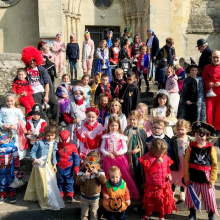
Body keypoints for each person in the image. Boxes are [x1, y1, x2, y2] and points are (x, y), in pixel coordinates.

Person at [24, 124, 65, 210]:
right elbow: (32, 152)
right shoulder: (39, 142)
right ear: (45, 134)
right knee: (42, 183)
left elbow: (53, 155)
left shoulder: (54, 143)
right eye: (48, 135)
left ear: (55, 135)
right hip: (40, 166)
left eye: (52, 135)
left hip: (49, 165)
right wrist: (34, 159)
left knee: (50, 183)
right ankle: (43, 200)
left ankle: (49, 198)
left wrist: (54, 165)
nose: (50, 137)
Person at [101, 116, 141, 200]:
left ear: (118, 126)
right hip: (109, 159)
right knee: (110, 175)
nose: (113, 127)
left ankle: (123, 192)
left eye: (115, 125)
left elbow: (125, 149)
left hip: (119, 159)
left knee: (122, 175)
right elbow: (102, 148)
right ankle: (110, 192)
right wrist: (107, 154)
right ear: (108, 126)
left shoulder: (121, 136)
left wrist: (119, 153)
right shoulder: (106, 136)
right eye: (111, 125)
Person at [184, 121, 218, 220]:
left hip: (206, 178)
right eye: (197, 134)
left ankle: (211, 214)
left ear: (207, 136)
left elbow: (215, 165)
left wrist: (212, 180)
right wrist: (186, 176)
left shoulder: (211, 148)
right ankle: (192, 214)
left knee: (209, 198)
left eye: (202, 135)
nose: (199, 137)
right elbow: (186, 162)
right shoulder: (191, 147)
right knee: (191, 197)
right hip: (193, 177)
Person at [139, 139, 177, 220]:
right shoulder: (147, 157)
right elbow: (149, 171)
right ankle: (147, 214)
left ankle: (161, 215)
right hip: (152, 184)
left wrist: (169, 174)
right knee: (150, 201)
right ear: (152, 150)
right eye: (159, 153)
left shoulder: (165, 157)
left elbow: (167, 167)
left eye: (163, 153)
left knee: (162, 201)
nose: (161, 155)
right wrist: (157, 163)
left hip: (163, 184)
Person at [21, 46, 60, 123]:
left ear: (37, 59)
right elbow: (18, 79)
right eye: (30, 60)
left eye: (34, 60)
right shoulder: (25, 70)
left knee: (56, 104)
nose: (32, 62)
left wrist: (46, 95)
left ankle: (55, 123)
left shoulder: (41, 69)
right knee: (37, 108)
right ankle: (43, 124)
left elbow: (47, 83)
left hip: (44, 91)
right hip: (34, 93)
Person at [76, 151, 107, 220]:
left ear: (97, 164)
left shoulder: (100, 171)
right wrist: (84, 176)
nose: (90, 167)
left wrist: (97, 174)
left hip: (95, 198)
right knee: (84, 214)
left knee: (94, 213)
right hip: (84, 197)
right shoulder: (82, 171)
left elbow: (104, 181)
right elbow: (78, 182)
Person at [124, 110, 147, 194]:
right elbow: (124, 143)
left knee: (138, 170)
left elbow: (143, 144)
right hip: (129, 154)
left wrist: (139, 149)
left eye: (134, 119)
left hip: (138, 155)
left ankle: (140, 188)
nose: (132, 121)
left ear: (138, 120)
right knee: (130, 170)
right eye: (130, 119)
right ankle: (131, 189)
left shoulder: (141, 131)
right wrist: (129, 150)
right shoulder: (126, 130)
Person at [170, 119, 191, 202]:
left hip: (185, 161)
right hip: (176, 160)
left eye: (182, 129)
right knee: (174, 176)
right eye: (178, 129)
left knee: (183, 176)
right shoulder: (173, 139)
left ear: (187, 129)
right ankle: (172, 191)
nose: (180, 131)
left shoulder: (189, 139)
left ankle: (182, 191)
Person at [0, 94, 26, 159]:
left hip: (15, 132)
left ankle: (16, 162)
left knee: (16, 145)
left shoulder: (18, 111)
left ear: (15, 100)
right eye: (8, 101)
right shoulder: (3, 110)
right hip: (5, 132)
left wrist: (16, 127)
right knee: (6, 146)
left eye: (11, 101)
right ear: (6, 102)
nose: (10, 103)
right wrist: (3, 125)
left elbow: (23, 122)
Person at [56, 130, 80, 202]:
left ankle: (70, 194)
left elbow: (76, 158)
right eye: (62, 140)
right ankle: (61, 193)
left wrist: (76, 167)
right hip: (59, 167)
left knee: (69, 181)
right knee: (60, 181)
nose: (63, 142)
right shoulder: (57, 146)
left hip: (69, 168)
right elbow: (54, 156)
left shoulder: (73, 146)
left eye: (65, 140)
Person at [202, 50, 220, 132]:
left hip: (219, 93)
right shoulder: (207, 67)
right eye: (214, 57)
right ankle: (209, 128)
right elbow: (203, 79)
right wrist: (208, 83)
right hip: (210, 93)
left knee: (218, 112)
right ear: (211, 58)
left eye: (217, 57)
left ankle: (217, 129)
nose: (215, 59)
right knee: (208, 111)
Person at [0, 129, 19, 204]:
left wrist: (16, 168)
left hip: (10, 168)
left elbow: (16, 158)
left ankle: (12, 194)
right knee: (2, 182)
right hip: (1, 169)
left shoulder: (12, 147)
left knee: (11, 181)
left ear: (9, 138)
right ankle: (2, 195)